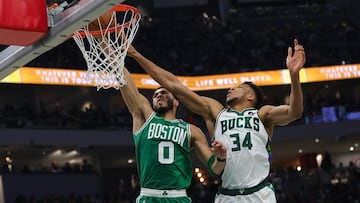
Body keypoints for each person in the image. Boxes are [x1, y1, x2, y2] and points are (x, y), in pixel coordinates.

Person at [126, 39, 306, 202]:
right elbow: (174, 85)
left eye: (238, 88)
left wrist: (294, 76)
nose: (231, 89)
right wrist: (136, 55)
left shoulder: (262, 115)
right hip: (227, 196)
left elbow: (294, 112)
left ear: (250, 96)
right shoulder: (215, 112)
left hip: (260, 194)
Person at [118, 65, 227, 202]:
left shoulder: (192, 130)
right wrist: (110, 52)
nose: (159, 96)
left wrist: (222, 157)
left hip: (178, 197)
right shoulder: (145, 120)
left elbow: (214, 168)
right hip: (149, 195)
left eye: (164, 93)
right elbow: (125, 82)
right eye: (155, 95)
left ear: (176, 102)